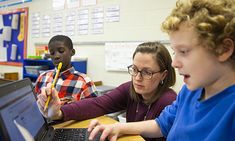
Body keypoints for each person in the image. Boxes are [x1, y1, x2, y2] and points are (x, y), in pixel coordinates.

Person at [87, 0, 235, 140]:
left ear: (223, 49)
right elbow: (160, 124)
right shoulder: (189, 91)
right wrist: (118, 128)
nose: (175, 63)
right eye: (175, 52)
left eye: (183, 51)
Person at [37, 41, 177, 141]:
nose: (138, 78)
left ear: (163, 75)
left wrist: (119, 128)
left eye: (147, 72)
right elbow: (98, 104)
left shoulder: (169, 100)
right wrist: (59, 113)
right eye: (134, 69)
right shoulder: (130, 89)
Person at [35, 35, 97, 105]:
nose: (56, 56)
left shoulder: (84, 82)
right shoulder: (42, 77)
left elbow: (95, 111)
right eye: (52, 53)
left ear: (72, 52)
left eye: (61, 51)